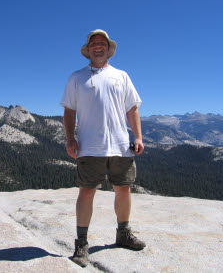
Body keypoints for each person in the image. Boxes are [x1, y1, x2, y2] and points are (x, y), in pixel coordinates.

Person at [60, 29, 145, 267]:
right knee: (86, 192)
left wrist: (137, 136)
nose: (98, 46)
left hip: (120, 144)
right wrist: (69, 138)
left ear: (109, 49)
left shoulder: (122, 76)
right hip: (89, 146)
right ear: (88, 50)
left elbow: (132, 109)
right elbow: (69, 111)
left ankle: (123, 234)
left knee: (124, 190)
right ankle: (81, 243)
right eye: (94, 43)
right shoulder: (76, 78)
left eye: (102, 43)